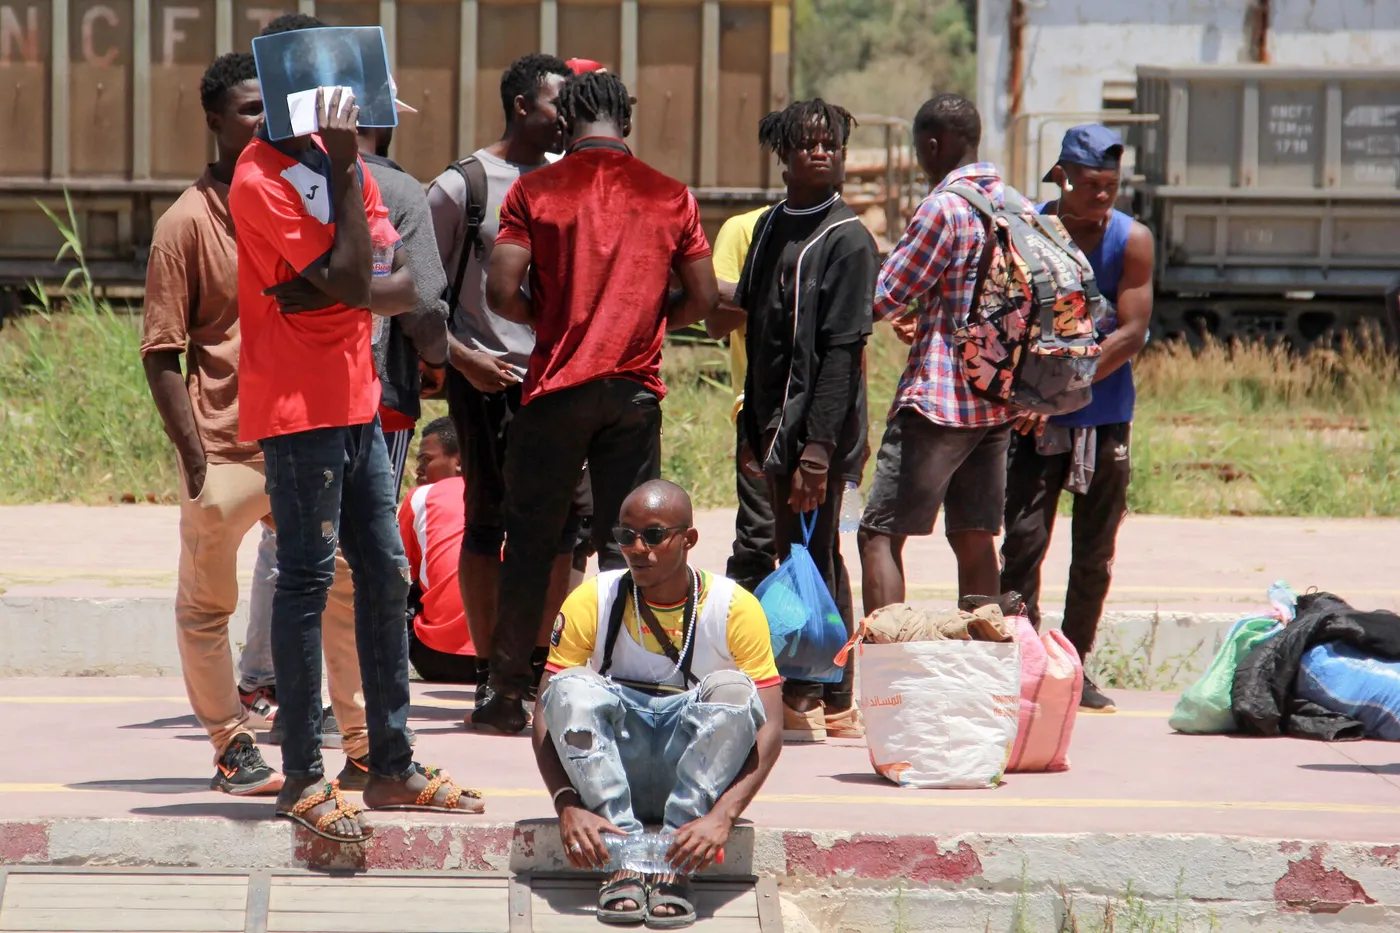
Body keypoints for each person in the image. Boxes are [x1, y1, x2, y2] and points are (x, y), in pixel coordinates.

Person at [230, 19, 480, 842]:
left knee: (385, 567)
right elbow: (356, 272)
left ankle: (389, 761)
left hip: (358, 398)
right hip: (299, 409)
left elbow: (395, 282)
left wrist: (338, 280)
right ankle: (302, 772)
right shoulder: (263, 175)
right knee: (306, 578)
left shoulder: (342, 175)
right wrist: (342, 181)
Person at [140, 52, 363, 795]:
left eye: (267, 109)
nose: (261, 122)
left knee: (344, 584)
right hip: (228, 445)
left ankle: (361, 739)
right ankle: (230, 742)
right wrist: (195, 457)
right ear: (212, 119)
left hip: (301, 433)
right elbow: (162, 352)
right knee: (207, 604)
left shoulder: (295, 197)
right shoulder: (185, 222)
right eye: (245, 110)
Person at [479, 70, 718, 734]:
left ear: (565, 124)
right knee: (633, 544)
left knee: (528, 540)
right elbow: (701, 296)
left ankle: (504, 690)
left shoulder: (535, 190)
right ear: (627, 124)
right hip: (632, 391)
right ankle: (628, 681)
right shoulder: (671, 196)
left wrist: (551, 318)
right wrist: (647, 316)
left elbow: (500, 293)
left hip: (555, 390)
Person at [534, 480, 782, 929]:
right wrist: (565, 802)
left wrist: (723, 817)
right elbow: (545, 715)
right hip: (613, 768)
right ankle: (623, 859)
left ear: (688, 539)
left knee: (733, 690)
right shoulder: (596, 597)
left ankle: (675, 859)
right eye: (625, 536)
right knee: (568, 687)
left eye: (653, 535)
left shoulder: (733, 607)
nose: (636, 548)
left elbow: (771, 729)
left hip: (691, 773)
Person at [427, 54, 582, 708]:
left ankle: (551, 665)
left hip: (560, 382)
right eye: (556, 107)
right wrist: (463, 358)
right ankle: (491, 673)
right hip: (487, 380)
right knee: (487, 522)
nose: (566, 121)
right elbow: (419, 293)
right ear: (521, 106)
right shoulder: (463, 186)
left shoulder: (567, 178)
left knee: (564, 528)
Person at [736, 100, 879, 743]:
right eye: (808, 144)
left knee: (815, 554)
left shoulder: (847, 239)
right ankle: (825, 694)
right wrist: (755, 432)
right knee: (798, 552)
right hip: (772, 426)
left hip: (818, 433)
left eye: (831, 144)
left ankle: (817, 693)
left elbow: (844, 353)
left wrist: (817, 452)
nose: (822, 153)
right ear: (783, 154)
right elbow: (758, 333)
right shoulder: (770, 227)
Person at [999, 125, 1154, 713]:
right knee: (1024, 541)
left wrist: (1066, 390)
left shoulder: (1131, 239)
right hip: (1033, 419)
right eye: (1091, 185)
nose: (1103, 197)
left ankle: (1075, 666)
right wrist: (1028, 397)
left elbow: (1133, 332)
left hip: (1103, 414)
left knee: (1094, 550)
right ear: (1062, 176)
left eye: (1111, 186)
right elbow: (1007, 318)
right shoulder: (1026, 230)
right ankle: (1022, 661)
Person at [858, 94, 1013, 618]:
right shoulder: (1016, 205)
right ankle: (982, 666)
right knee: (973, 535)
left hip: (938, 404)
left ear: (932, 145)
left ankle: (888, 673)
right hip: (995, 403)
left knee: (879, 533)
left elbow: (881, 296)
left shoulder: (944, 208)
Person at [356, 123, 450, 494]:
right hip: (382, 393)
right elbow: (424, 303)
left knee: (300, 531)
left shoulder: (290, 180)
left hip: (299, 399)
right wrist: (436, 360)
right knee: (370, 529)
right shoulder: (400, 190)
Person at [706, 206, 778, 597]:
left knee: (815, 543)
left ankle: (820, 654)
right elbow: (715, 321)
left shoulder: (842, 227)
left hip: (822, 412)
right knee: (758, 539)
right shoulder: (744, 228)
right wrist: (781, 293)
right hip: (759, 409)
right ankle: (747, 647)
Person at [400, 418, 477, 683]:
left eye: (426, 460)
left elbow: (401, 570)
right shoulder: (506, 493)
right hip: (503, 662)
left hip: (435, 659)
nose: (418, 470)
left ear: (458, 462)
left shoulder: (420, 496)